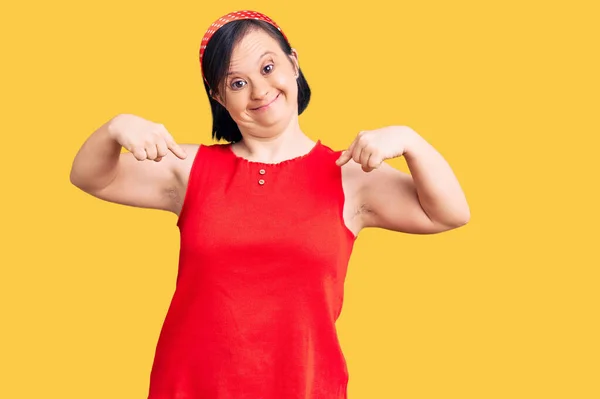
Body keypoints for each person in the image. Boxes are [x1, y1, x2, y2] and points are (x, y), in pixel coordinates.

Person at [69, 9, 470, 399]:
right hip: (189, 388)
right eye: (237, 83)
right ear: (218, 96)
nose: (260, 91)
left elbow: (450, 213)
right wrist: (115, 128)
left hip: (307, 388)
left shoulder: (349, 175)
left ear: (293, 64)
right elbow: (91, 176)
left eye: (267, 68)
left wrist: (411, 141)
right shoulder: (188, 169)